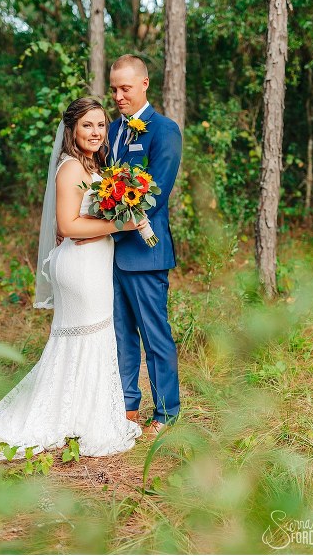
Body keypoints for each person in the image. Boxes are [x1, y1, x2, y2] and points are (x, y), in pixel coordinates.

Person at [0, 97, 143, 461]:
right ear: (72, 130)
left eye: (101, 125)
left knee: (86, 338)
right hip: (79, 266)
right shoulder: (71, 169)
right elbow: (68, 226)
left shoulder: (92, 165)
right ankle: (71, 420)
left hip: (91, 261)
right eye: (87, 126)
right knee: (89, 335)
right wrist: (121, 224)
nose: (96, 132)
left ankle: (79, 416)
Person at [105, 54, 182, 434]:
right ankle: (127, 409)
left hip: (145, 253)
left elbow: (156, 195)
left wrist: (102, 224)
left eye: (125, 88)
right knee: (120, 334)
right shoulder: (113, 130)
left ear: (145, 84)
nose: (118, 96)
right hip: (110, 255)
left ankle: (166, 414)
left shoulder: (164, 130)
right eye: (114, 89)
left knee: (155, 335)